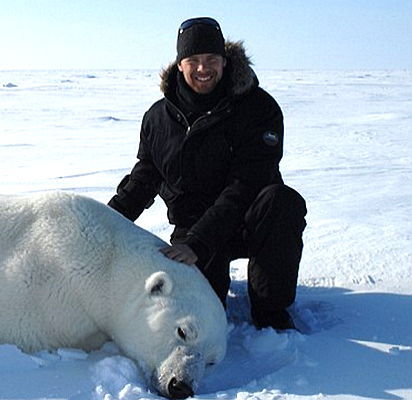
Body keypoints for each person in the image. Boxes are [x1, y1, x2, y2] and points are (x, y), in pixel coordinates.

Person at [108, 17, 307, 330]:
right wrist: (104, 223)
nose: (204, 69)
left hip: (247, 221)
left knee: (282, 202)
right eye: (194, 60)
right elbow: (144, 178)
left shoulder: (259, 108)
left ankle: (271, 313)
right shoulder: (158, 118)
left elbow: (246, 185)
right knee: (202, 312)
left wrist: (198, 244)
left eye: (212, 60)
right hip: (193, 229)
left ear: (225, 62)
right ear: (180, 64)